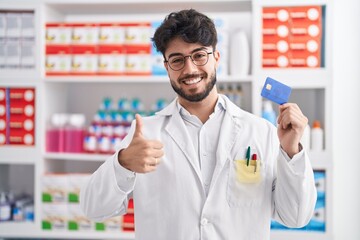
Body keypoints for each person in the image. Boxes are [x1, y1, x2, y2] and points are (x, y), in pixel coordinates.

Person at [80, 9, 317, 240]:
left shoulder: (260, 131)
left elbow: (295, 217)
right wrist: (123, 164)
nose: (190, 68)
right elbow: (93, 208)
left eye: (199, 55)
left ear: (216, 57)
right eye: (177, 60)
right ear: (166, 67)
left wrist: (291, 152)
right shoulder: (146, 133)